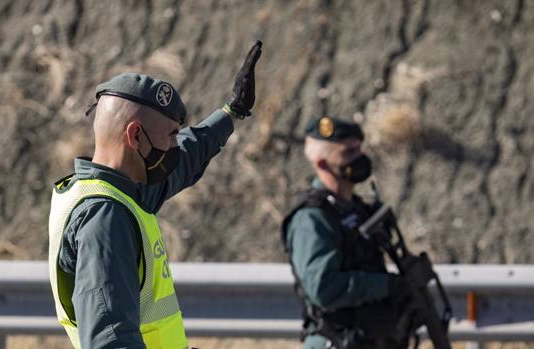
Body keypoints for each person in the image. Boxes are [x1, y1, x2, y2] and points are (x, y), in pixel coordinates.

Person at [48, 41, 262, 349]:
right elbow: (112, 341)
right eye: (171, 136)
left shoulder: (119, 192)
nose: (174, 146)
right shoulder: (105, 219)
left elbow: (188, 154)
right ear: (135, 136)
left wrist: (232, 112)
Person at [281, 116, 413, 349]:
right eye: (348, 153)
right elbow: (324, 288)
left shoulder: (357, 209)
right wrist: (384, 285)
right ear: (322, 163)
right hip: (336, 340)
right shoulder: (312, 218)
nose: (359, 158)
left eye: (359, 150)